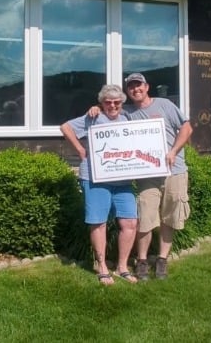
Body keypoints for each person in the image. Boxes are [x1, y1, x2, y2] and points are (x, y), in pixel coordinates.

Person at [90, 73, 193, 281]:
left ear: (147, 87)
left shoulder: (164, 105)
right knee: (145, 217)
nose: (136, 89)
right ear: (128, 92)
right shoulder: (128, 112)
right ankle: (143, 260)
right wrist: (96, 108)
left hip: (175, 170)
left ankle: (162, 259)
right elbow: (111, 109)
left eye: (139, 85)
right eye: (131, 87)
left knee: (169, 217)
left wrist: (173, 152)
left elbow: (187, 128)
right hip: (149, 174)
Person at [60, 84, 139, 285]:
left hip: (123, 179)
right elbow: (65, 127)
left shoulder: (127, 118)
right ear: (101, 103)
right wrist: (79, 148)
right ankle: (102, 266)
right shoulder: (93, 116)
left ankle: (122, 267)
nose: (113, 106)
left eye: (117, 102)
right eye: (108, 102)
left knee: (130, 222)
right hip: (95, 178)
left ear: (122, 103)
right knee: (99, 221)